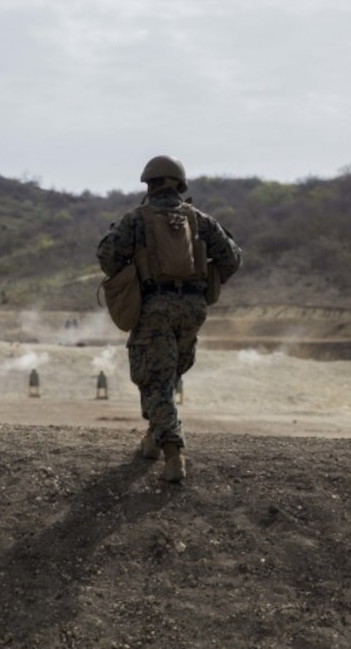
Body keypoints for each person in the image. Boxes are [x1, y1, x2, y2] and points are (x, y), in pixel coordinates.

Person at [96, 155, 242, 482]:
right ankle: (153, 437)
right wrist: (200, 282)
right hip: (193, 309)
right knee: (167, 372)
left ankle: (174, 452)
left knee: (154, 377)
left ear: (149, 185)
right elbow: (232, 259)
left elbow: (107, 257)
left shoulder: (135, 220)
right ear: (180, 184)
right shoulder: (201, 221)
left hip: (155, 307)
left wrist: (137, 271)